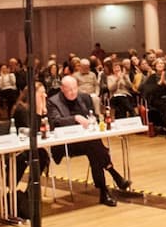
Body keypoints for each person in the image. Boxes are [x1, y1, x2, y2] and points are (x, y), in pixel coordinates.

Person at [48, 75, 131, 207]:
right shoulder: (53, 101)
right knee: (95, 147)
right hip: (66, 144)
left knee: (94, 149)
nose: (73, 92)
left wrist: (95, 121)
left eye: (75, 88)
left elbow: (95, 117)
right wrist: (75, 118)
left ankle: (104, 191)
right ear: (62, 89)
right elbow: (55, 122)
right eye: (69, 89)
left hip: (87, 141)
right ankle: (113, 174)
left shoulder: (84, 97)